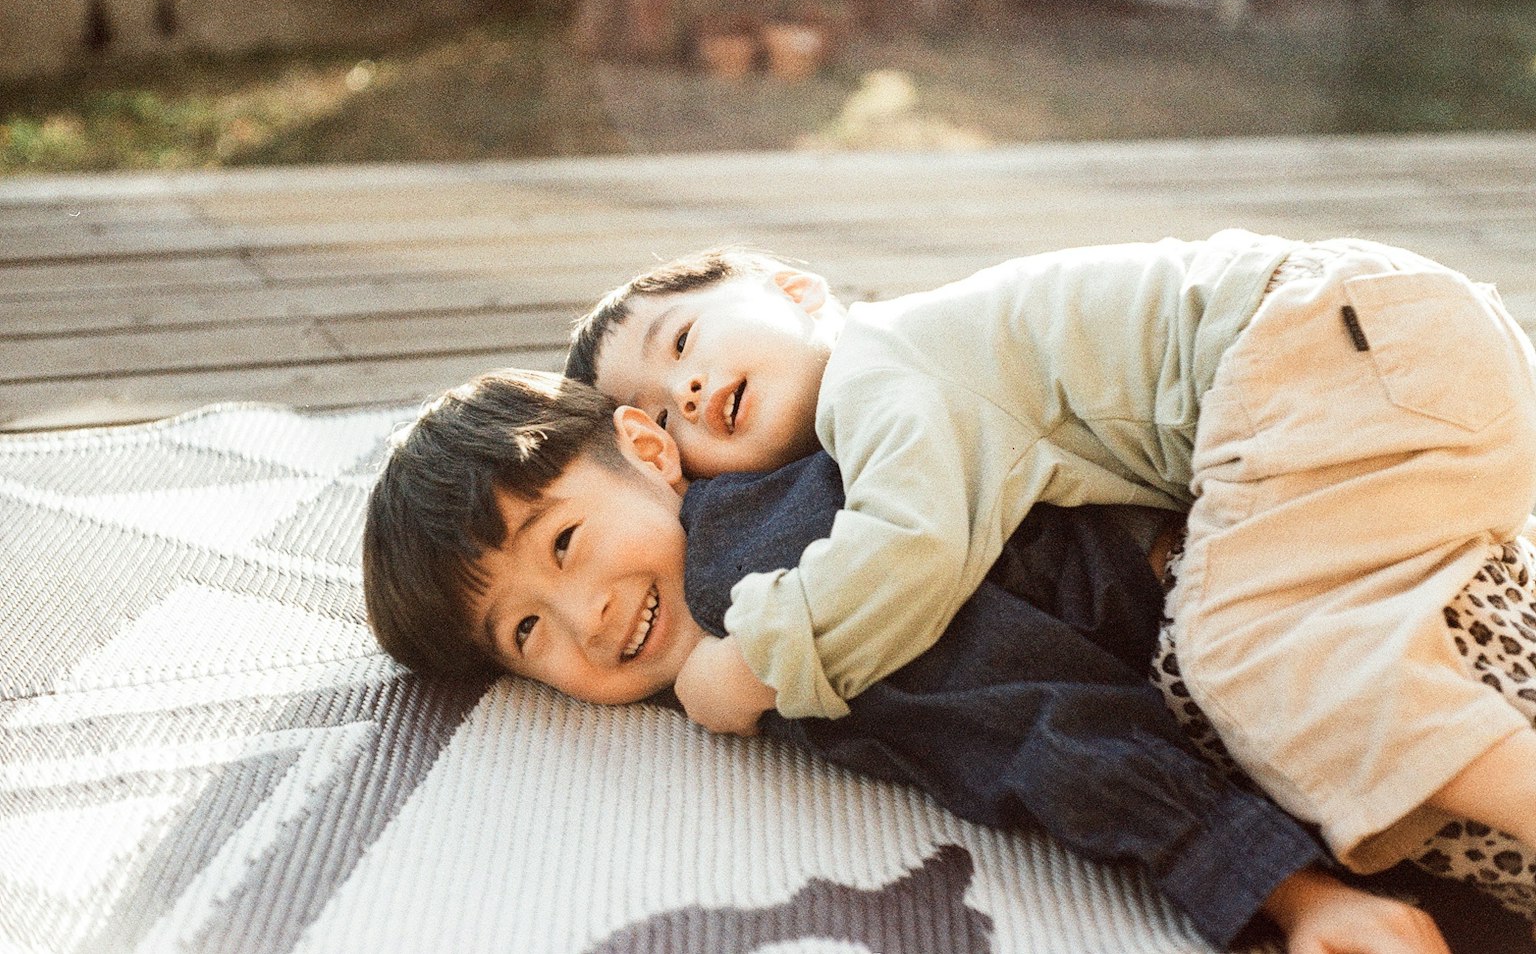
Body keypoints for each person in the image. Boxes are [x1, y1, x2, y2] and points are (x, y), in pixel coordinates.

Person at [361, 368, 1454, 954]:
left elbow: (1029, 713)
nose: (587, 617)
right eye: (524, 631)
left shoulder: (771, 578)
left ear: (652, 451)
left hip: (1273, 590)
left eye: (563, 543)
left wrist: (1289, 892)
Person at [560, 232, 1536, 883]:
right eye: (658, 414)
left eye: (684, 338)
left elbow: (912, 545)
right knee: (1346, 604)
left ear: (799, 291)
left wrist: (762, 659)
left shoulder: (881, 366)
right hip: (1399, 349)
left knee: (1242, 651)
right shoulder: (924, 357)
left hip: (1307, 350)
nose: (685, 390)